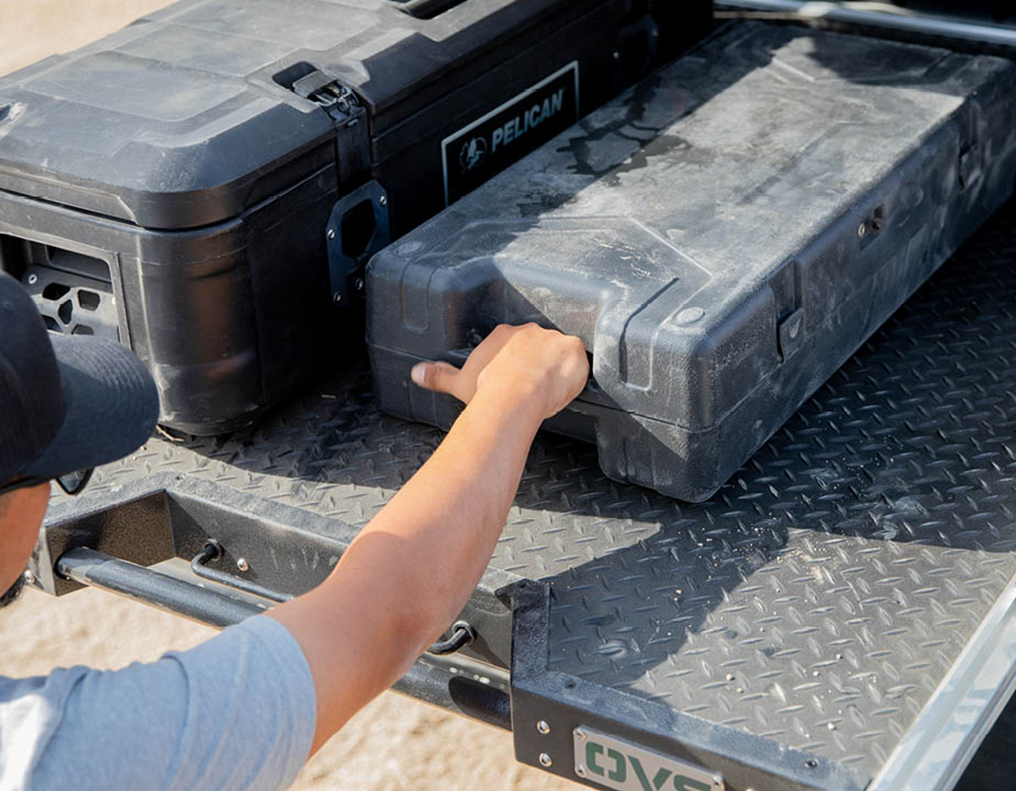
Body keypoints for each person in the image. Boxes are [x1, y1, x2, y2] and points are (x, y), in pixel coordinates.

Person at [0, 272, 588, 789]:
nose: (57, 493)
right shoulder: (54, 758)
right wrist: (516, 389)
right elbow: (386, 614)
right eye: (61, 467)